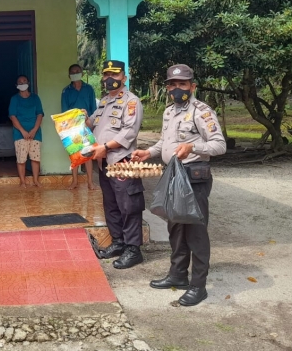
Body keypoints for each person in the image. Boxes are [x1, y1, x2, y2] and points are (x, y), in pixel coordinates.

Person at [132, 64, 226, 307]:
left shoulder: (202, 111)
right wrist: (148, 152)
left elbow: (219, 145)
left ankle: (198, 286)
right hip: (174, 176)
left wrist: (193, 147)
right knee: (176, 228)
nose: (176, 89)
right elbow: (166, 142)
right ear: (167, 88)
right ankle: (178, 275)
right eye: (172, 85)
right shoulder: (169, 112)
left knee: (195, 231)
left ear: (192, 86)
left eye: (182, 84)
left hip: (194, 177)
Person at [86, 60, 145, 269]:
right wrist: (80, 118)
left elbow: (129, 132)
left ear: (124, 78)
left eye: (115, 75)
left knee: (128, 206)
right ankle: (118, 243)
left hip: (122, 161)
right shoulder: (103, 101)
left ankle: (133, 249)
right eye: (107, 75)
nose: (110, 79)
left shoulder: (131, 101)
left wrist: (106, 147)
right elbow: (92, 122)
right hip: (105, 163)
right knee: (111, 205)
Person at [61, 63, 98, 190]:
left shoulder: (89, 89)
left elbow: (94, 109)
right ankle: (75, 181)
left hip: (86, 125)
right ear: (69, 75)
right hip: (72, 127)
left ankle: (90, 182)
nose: (75, 73)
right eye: (72, 72)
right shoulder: (66, 91)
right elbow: (64, 111)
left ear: (82, 73)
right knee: (74, 155)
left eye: (77, 71)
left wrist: (92, 125)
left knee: (88, 154)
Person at [8, 75, 44, 188]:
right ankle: (22, 181)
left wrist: (34, 130)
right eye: (20, 82)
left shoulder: (35, 98)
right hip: (20, 133)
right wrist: (23, 131)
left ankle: (35, 180)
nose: (22, 83)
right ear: (17, 85)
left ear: (28, 82)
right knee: (21, 158)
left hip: (35, 133)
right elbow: (12, 116)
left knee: (35, 158)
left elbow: (39, 114)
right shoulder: (14, 99)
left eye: (24, 81)